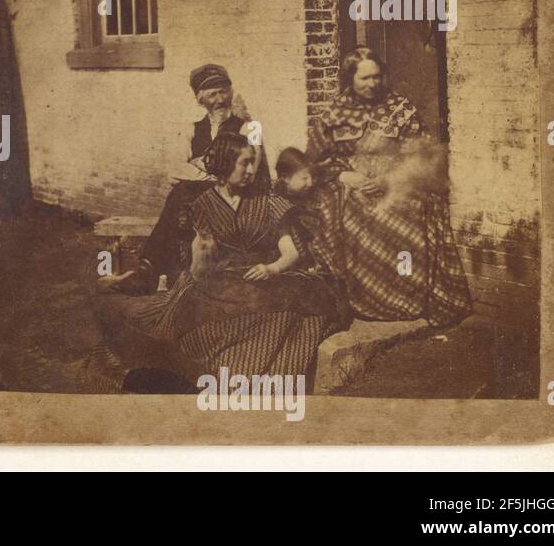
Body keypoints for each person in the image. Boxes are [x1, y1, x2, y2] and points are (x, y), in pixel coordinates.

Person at [127, 133, 341, 382]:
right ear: (226, 163)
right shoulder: (202, 205)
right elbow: (200, 265)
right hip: (224, 282)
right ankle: (219, 373)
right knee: (198, 316)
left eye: (253, 163)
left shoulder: (268, 202)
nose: (251, 170)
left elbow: (291, 252)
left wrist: (272, 269)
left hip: (268, 279)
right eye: (244, 163)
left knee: (286, 316)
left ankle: (248, 375)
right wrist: (200, 261)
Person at [305, 46, 471, 327]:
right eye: (365, 78)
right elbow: (314, 162)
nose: (373, 84)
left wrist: (387, 180)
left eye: (377, 77)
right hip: (353, 187)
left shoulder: (400, 109)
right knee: (349, 212)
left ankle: (406, 300)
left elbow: (420, 155)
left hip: (396, 184)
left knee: (410, 209)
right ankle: (365, 300)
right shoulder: (333, 115)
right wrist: (343, 177)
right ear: (350, 80)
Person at [99, 63, 271, 295]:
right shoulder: (192, 129)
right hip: (205, 196)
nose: (220, 99)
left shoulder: (251, 127)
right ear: (199, 99)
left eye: (224, 91)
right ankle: (154, 273)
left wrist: (199, 164)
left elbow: (249, 171)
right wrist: (215, 173)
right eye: (212, 95)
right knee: (181, 191)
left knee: (181, 192)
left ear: (230, 91)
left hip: (241, 198)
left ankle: (149, 270)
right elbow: (174, 169)